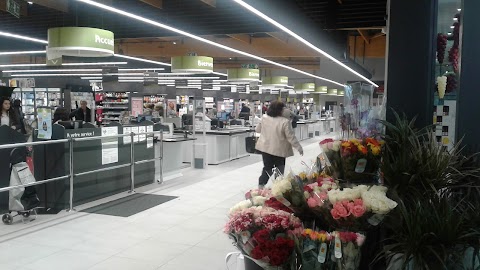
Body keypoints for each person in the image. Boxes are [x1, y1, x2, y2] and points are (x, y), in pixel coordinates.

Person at [255, 101, 303, 188]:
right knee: (279, 169)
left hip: (266, 149)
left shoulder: (264, 118)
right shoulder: (285, 121)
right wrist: (299, 148)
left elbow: (257, 130)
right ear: (281, 110)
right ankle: (278, 187)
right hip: (279, 150)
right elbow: (290, 137)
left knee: (267, 168)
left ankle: (261, 185)